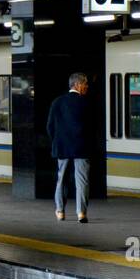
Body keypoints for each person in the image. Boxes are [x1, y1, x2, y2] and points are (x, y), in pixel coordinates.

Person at [47, 71, 92, 223]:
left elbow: (50, 126)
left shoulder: (57, 102)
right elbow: (93, 127)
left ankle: (60, 211)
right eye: (85, 84)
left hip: (62, 147)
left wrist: (57, 140)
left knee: (62, 179)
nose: (87, 87)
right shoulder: (86, 103)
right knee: (82, 181)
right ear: (78, 85)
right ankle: (81, 213)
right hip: (82, 147)